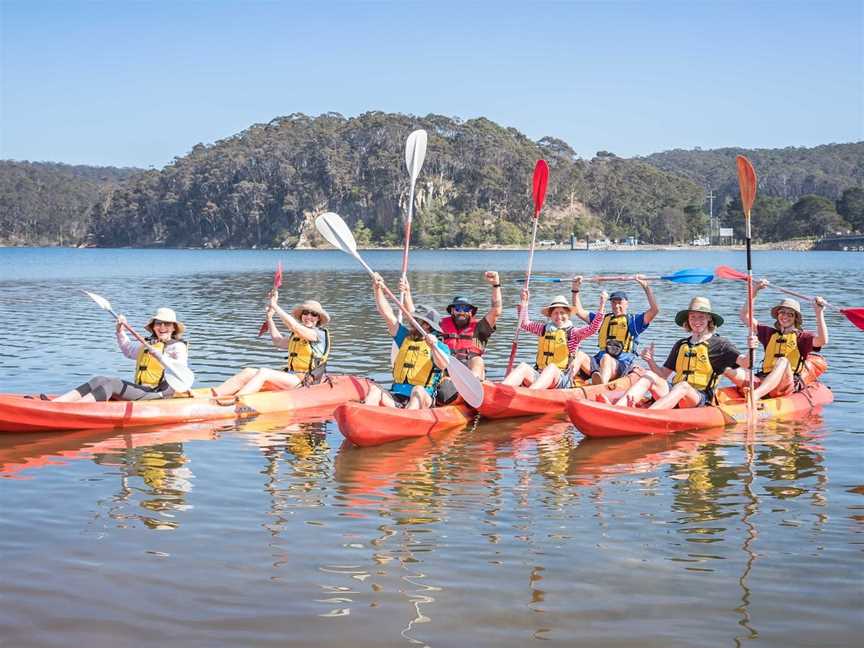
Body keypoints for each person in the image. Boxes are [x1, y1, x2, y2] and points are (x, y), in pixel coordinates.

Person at [610, 296, 750, 409]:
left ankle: (649, 415)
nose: (696, 321)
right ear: (688, 320)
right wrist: (650, 361)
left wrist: (751, 347)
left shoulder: (720, 344)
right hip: (674, 392)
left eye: (701, 317)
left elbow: (746, 362)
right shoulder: (681, 344)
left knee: (682, 386)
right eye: (693, 317)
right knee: (648, 375)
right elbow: (663, 375)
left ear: (709, 319)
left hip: (699, 399)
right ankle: (617, 409)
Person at [51, 308, 189, 402]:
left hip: (158, 394)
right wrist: (120, 331)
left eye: (167, 324)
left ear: (173, 327)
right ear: (153, 326)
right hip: (143, 389)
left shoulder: (178, 347)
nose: (162, 327)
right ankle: (58, 403)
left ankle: (76, 408)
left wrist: (161, 357)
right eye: (158, 323)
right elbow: (128, 351)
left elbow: (180, 372)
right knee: (99, 379)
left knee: (113, 384)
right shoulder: (149, 344)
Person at [724, 280, 829, 400]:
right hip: (762, 380)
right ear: (777, 315)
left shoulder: (802, 338)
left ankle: (756, 394)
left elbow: (823, 340)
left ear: (796, 318)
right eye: (782, 312)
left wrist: (819, 312)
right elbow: (744, 316)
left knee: (783, 361)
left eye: (790, 314)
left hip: (785, 385)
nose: (785, 316)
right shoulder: (768, 333)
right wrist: (754, 290)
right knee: (729, 370)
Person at [211, 292, 330, 397]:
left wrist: (275, 305)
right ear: (302, 315)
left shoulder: (318, 334)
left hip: (305, 381)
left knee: (264, 372)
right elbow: (278, 341)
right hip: (291, 377)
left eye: (313, 314)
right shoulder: (297, 335)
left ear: (318, 319)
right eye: (306, 313)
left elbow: (294, 326)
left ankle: (237, 400)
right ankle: (215, 394)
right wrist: (270, 318)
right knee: (248, 372)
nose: (309, 317)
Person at [364, 273, 452, 409]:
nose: (411, 322)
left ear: (427, 326)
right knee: (375, 390)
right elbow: (387, 314)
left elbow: (443, 365)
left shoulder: (440, 346)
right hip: (397, 396)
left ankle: (406, 420)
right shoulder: (405, 338)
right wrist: (377, 289)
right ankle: (366, 416)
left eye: (416, 320)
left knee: (417, 390)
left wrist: (434, 347)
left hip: (423, 398)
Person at [502, 289, 607, 390]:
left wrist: (602, 306)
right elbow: (525, 324)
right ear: (550, 315)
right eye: (555, 313)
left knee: (552, 368)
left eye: (562, 313)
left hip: (562, 379)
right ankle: (500, 389)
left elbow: (592, 329)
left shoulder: (573, 333)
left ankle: (530, 394)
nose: (559, 316)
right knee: (523, 366)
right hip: (540, 374)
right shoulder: (542, 329)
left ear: (568, 315)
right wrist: (524, 302)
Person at [570, 274, 659, 384]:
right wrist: (575, 289)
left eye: (619, 302)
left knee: (606, 358)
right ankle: (565, 382)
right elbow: (578, 311)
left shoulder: (634, 321)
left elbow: (654, 310)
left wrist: (646, 287)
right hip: (599, 363)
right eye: (613, 302)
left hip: (621, 365)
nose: (616, 306)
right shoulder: (602, 319)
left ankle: (601, 387)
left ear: (627, 303)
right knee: (579, 355)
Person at [439, 271, 503, 380]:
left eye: (466, 309)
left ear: (471, 312)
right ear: (452, 311)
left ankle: (472, 383)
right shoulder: (440, 325)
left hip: (471, 370)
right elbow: (418, 323)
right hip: (447, 369)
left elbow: (496, 311)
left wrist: (496, 285)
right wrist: (406, 293)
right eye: (458, 309)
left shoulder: (479, 327)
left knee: (478, 360)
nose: (462, 312)